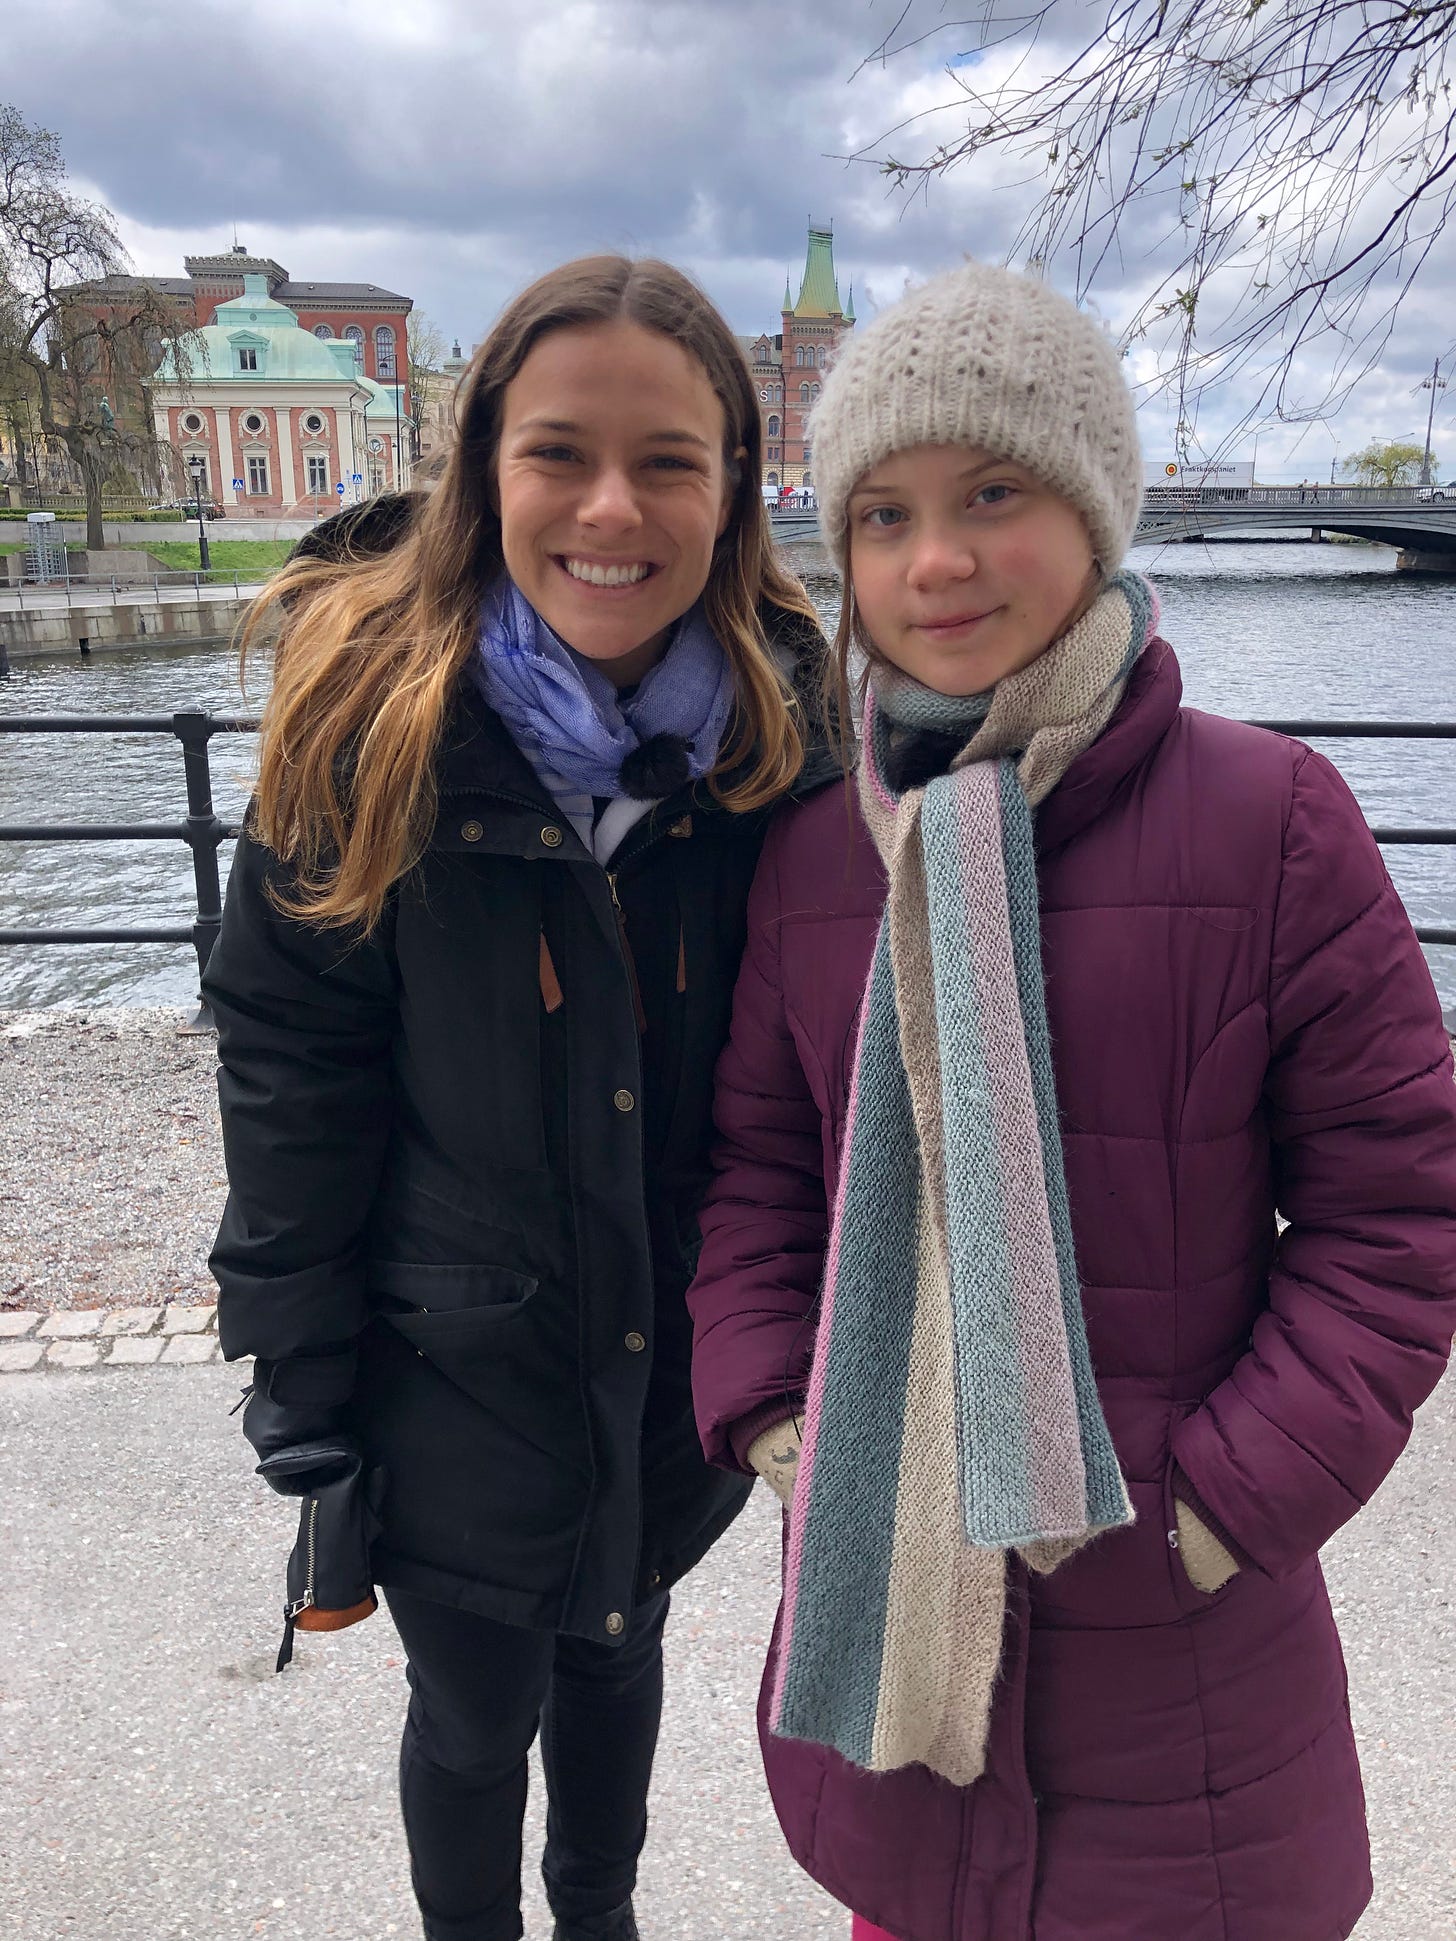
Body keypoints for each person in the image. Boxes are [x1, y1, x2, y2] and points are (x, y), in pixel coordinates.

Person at [687, 263, 1456, 1941]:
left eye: (991, 494)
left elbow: (1397, 1213)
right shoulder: (820, 852)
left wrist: (1223, 1504)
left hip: (1185, 1657)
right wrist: (772, 1413)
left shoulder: (1270, 820)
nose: (935, 558)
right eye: (881, 513)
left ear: (1094, 512)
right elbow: (756, 1169)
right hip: (893, 1639)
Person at [204, 253, 830, 1941]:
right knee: (475, 1709)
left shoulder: (788, 733)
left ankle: (600, 1914)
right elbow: (290, 1052)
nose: (610, 507)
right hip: (447, 1362)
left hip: (675, 1357)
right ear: (485, 465)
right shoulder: (371, 719)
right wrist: (297, 1349)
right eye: (560, 451)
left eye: (669, 460)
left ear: (736, 486)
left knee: (619, 1638)